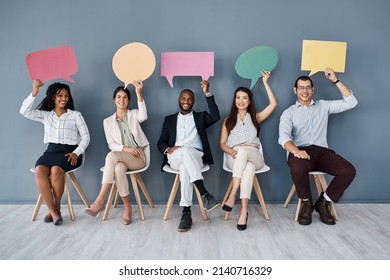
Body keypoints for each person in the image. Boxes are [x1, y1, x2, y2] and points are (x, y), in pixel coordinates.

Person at [278, 68, 358, 226]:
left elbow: (352, 102)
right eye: (301, 87)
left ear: (313, 89)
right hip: (300, 150)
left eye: (308, 87)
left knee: (348, 170)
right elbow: (284, 137)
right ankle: (306, 203)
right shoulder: (289, 113)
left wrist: (335, 80)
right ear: (295, 90)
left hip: (322, 152)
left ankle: (324, 202)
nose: (305, 91)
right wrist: (296, 151)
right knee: (298, 167)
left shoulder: (324, 106)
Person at [20, 80, 90, 226]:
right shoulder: (46, 115)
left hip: (69, 152)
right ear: (53, 97)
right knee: (39, 170)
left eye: (66, 96)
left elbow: (86, 137)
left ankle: (56, 206)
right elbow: (24, 111)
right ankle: (53, 211)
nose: (64, 98)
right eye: (60, 95)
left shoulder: (75, 115)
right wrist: (34, 92)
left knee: (56, 170)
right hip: (50, 151)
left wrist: (76, 152)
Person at [157, 80, 221, 232]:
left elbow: (216, 116)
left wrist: (207, 92)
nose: (186, 101)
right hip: (175, 156)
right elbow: (160, 142)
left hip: (196, 156)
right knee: (184, 152)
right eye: (183, 98)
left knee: (186, 167)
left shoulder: (200, 117)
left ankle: (186, 213)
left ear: (193, 101)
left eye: (189, 99)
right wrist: (168, 149)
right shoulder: (169, 119)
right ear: (179, 100)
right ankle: (204, 193)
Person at [219, 70, 277, 231]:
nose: (241, 101)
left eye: (244, 98)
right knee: (248, 168)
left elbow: (273, 105)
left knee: (245, 154)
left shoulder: (256, 117)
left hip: (255, 155)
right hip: (234, 157)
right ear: (234, 100)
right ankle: (243, 212)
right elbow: (222, 144)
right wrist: (230, 152)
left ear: (250, 101)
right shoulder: (228, 121)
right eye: (238, 97)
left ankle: (232, 194)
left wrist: (265, 82)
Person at [85, 81, 148, 225]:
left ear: (129, 100)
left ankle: (100, 200)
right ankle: (127, 207)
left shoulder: (134, 114)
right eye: (119, 97)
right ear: (114, 100)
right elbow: (111, 144)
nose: (122, 100)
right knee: (118, 168)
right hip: (122, 157)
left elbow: (144, 116)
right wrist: (126, 149)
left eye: (125, 97)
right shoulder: (107, 121)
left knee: (111, 155)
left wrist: (139, 92)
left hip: (138, 156)